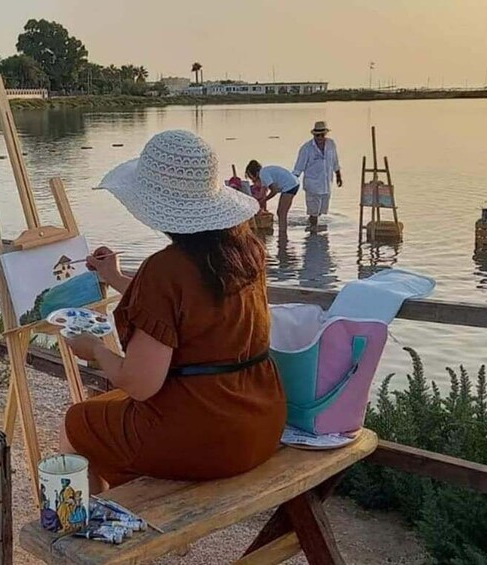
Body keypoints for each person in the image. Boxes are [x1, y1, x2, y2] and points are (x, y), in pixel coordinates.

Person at [61, 130, 287, 494]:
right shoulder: (246, 252)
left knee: (77, 422)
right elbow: (194, 308)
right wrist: (116, 277)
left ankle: (84, 538)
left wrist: (95, 350)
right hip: (262, 422)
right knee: (107, 411)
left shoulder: (165, 269)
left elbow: (139, 383)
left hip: (205, 439)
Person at [293, 121, 342, 230]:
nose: (320, 137)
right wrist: (291, 182)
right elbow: (299, 167)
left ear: (325, 134)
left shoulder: (331, 144)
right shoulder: (306, 148)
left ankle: (315, 232)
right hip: (312, 185)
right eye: (317, 135)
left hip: (326, 184)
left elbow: (335, 161)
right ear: (314, 135)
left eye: (322, 135)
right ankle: (313, 233)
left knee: (321, 212)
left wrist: (338, 175)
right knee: (314, 213)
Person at [245, 160, 299, 230]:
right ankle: (282, 232)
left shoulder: (263, 174)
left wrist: (265, 199)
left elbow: (274, 190)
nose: (252, 181)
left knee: (282, 213)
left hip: (290, 185)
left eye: (251, 177)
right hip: (292, 183)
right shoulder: (263, 176)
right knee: (281, 212)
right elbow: (262, 194)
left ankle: (282, 234)